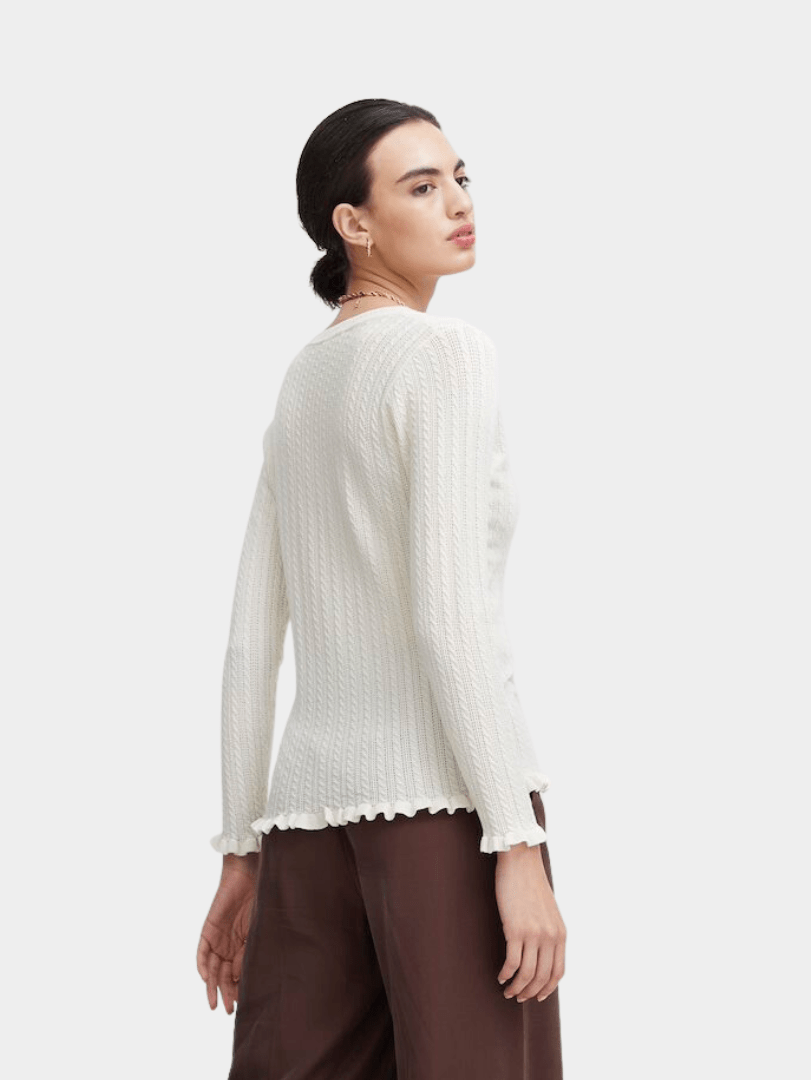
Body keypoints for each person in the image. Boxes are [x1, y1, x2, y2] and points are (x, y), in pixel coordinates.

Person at [196, 98, 567, 1079]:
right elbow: (449, 618)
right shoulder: (446, 354)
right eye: (422, 186)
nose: (459, 203)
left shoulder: (304, 381)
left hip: (306, 826)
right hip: (448, 811)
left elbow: (248, 639)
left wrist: (242, 851)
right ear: (351, 223)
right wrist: (515, 842)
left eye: (460, 178)